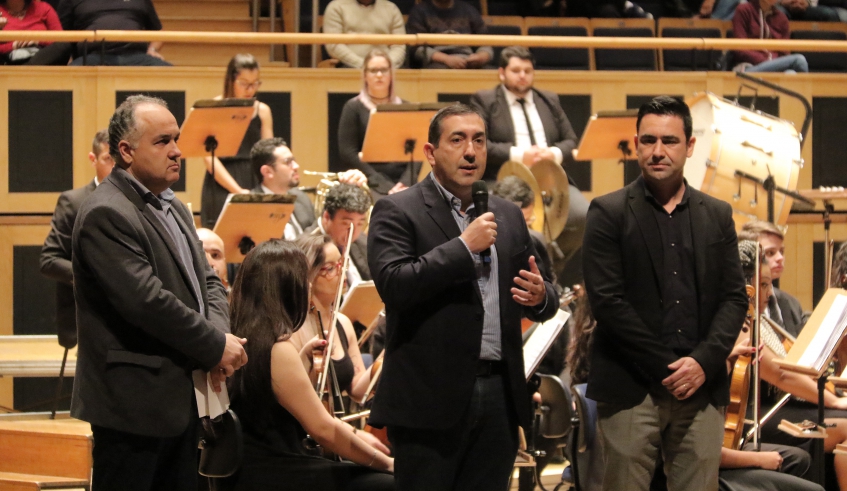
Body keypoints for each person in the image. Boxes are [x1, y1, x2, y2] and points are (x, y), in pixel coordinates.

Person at [367, 103, 559, 490]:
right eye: (457, 140)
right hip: (428, 401)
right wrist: (462, 247)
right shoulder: (397, 210)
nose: (471, 151)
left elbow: (545, 297)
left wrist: (540, 296)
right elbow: (394, 285)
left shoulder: (508, 215)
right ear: (430, 152)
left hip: (498, 397)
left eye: (479, 140)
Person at [70, 95, 248, 491]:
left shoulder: (175, 206)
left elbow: (208, 283)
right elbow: (147, 302)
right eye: (163, 141)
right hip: (134, 405)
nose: (177, 151)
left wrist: (217, 342)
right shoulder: (107, 212)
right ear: (126, 151)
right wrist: (215, 344)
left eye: (177, 139)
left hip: (181, 398)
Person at [582, 95, 748, 491]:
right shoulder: (607, 212)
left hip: (701, 387)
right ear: (635, 143)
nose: (658, 151)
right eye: (648, 140)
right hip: (631, 385)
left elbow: (734, 298)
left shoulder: (718, 214)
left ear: (690, 146)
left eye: (670, 141)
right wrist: (671, 369)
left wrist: (702, 363)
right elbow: (608, 304)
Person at [225, 239, 394, 491]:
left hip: (251, 468)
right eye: (304, 281)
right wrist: (388, 464)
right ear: (287, 288)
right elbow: (324, 430)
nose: (308, 288)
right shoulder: (277, 349)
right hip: (277, 471)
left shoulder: (239, 337)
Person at [470, 46, 589, 287]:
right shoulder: (485, 100)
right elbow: (481, 144)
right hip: (505, 179)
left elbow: (570, 141)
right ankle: (511, 277)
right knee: (506, 221)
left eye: (527, 70)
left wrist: (551, 153)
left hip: (550, 180)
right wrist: (520, 155)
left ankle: (553, 270)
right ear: (502, 73)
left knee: (584, 215)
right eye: (516, 70)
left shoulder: (548, 99)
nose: (522, 75)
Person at [39, 129, 114, 350]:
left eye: (118, 160)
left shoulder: (139, 201)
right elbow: (49, 260)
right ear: (93, 159)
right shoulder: (73, 202)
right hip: (85, 319)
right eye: (108, 159)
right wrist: (92, 277)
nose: (115, 167)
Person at [290, 234, 380, 404]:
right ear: (307, 275)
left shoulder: (343, 323)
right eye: (331, 268)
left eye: (342, 263)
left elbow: (357, 391)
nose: (342, 271)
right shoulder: (292, 328)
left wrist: (386, 356)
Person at [201, 53, 273, 228]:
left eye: (255, 83)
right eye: (244, 84)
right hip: (221, 184)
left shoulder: (262, 111)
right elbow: (209, 159)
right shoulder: (213, 108)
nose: (251, 89)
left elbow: (268, 154)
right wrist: (238, 191)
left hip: (254, 181)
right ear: (231, 80)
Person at [338, 49, 419, 198]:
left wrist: (405, 183)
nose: (379, 75)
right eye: (374, 70)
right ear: (365, 75)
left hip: (403, 184)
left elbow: (417, 151)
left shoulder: (405, 107)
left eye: (384, 70)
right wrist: (385, 185)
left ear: (391, 74)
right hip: (368, 182)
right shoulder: (353, 107)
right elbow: (348, 152)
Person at [741, 220, 809, 338]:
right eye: (770, 252)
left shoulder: (792, 303)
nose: (780, 258)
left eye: (781, 251)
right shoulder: (739, 304)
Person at [57, 0, 170, 66]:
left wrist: (153, 50)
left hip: (137, 57)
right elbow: (61, 32)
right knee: (68, 78)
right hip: (91, 58)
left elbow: (158, 31)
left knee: (169, 73)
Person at [307, 183, 373, 288]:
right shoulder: (307, 249)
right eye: (346, 224)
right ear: (327, 217)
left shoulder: (363, 242)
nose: (354, 231)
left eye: (360, 223)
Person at [249, 137, 316, 240]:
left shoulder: (301, 198)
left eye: (294, 160)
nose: (296, 166)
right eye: (287, 162)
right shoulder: (251, 207)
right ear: (267, 172)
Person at [405, 0, 493, 69]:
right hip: (437, 63)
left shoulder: (469, 10)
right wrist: (446, 59)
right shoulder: (419, 12)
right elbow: (416, 49)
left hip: (468, 60)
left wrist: (480, 57)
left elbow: (485, 43)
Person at [323, 0, 406, 69]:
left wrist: (387, 65)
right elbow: (334, 46)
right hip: (349, 66)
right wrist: (364, 65)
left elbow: (399, 46)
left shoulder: (391, 8)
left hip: (388, 69)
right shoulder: (336, 7)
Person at [732, 0, 810, 73]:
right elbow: (740, 49)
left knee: (790, 73)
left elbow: (785, 52)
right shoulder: (744, 10)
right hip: (749, 67)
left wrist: (773, 62)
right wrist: (767, 60)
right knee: (799, 60)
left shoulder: (782, 18)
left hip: (775, 66)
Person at [0, 0, 64, 65]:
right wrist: (13, 45)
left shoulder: (43, 8)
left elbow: (60, 40)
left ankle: (24, 70)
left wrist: (38, 40)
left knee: (64, 45)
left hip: (42, 56)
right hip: (9, 60)